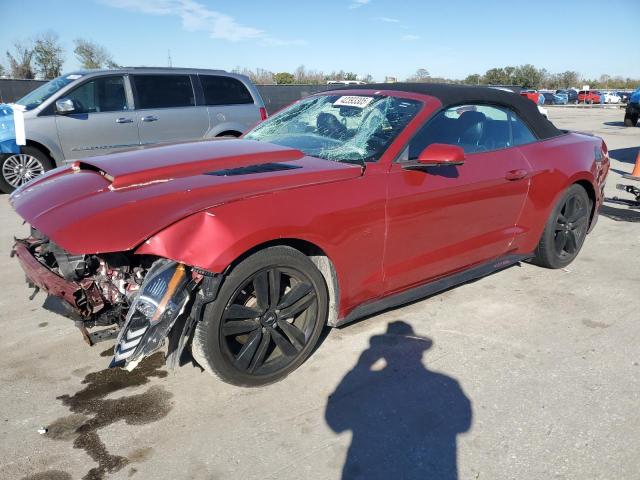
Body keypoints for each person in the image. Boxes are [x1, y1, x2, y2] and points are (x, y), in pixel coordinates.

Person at [325, 321, 472, 480]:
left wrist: (360, 367)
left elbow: (335, 422)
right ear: (420, 353)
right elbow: (464, 424)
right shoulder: (447, 384)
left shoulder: (368, 387)